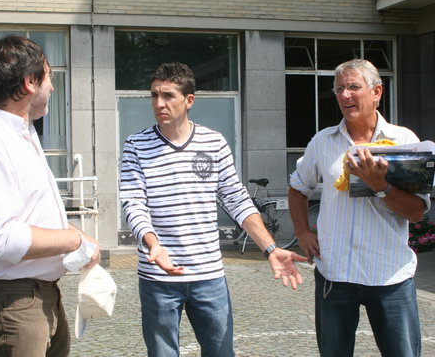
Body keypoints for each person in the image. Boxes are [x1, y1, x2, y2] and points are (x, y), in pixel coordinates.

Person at [119, 62, 307, 357]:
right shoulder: (136, 144)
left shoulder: (214, 142)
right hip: (158, 278)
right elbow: (133, 202)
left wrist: (271, 249)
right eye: (154, 95)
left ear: (189, 100)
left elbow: (237, 199)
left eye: (168, 95)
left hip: (209, 276)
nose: (159, 103)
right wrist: (152, 244)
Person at [0, 35, 101, 357]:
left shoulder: (22, 136)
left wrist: (79, 237)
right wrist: (73, 241)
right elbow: (2, 239)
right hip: (13, 301)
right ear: (30, 82)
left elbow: (33, 216)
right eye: (48, 76)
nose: (52, 86)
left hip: (36, 297)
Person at [288, 59, 429, 357]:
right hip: (335, 274)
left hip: (390, 276)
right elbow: (298, 188)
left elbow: (417, 212)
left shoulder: (403, 142)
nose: (344, 95)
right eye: (339, 88)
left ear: (377, 91)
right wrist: (302, 231)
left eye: (353, 87)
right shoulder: (323, 141)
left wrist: (380, 185)